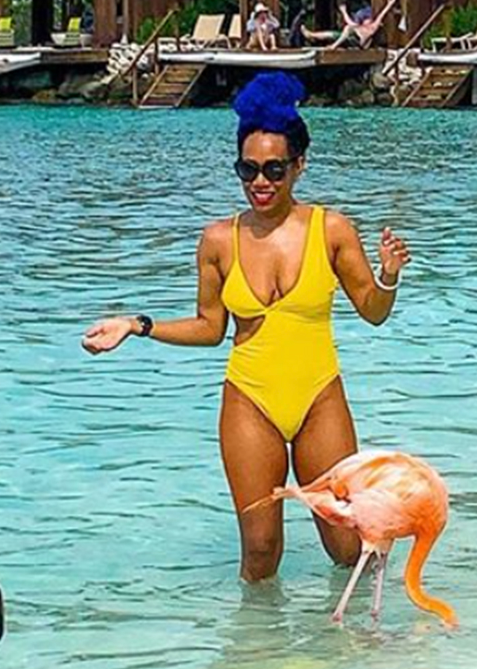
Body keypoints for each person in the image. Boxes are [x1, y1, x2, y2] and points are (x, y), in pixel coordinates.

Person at [81, 72, 413, 582]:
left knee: (349, 547)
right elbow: (210, 327)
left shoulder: (331, 229)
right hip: (249, 400)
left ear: (299, 165)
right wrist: (136, 324)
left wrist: (388, 276)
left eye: (274, 169)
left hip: (319, 397)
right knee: (260, 552)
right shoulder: (218, 240)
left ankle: (365, 628)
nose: (261, 182)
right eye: (248, 169)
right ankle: (254, 633)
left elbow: (373, 310)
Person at [300, 0, 397, 50]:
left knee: (348, 28)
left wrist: (389, 4)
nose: (366, 20)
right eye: (365, 19)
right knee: (331, 34)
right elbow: (350, 22)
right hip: (348, 39)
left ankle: (334, 46)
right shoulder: (359, 26)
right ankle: (311, 35)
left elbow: (382, 14)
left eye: (367, 19)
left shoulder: (372, 27)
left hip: (357, 43)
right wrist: (344, 11)